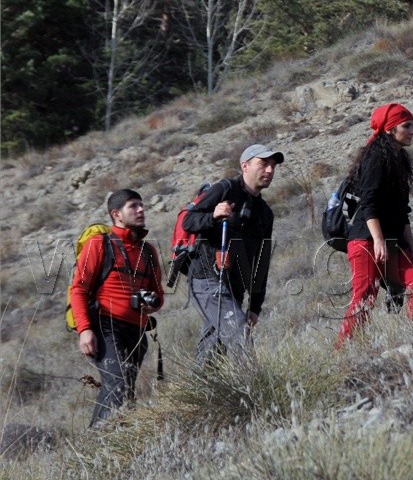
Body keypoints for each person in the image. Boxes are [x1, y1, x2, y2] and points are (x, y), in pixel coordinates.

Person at [337, 103, 413, 345]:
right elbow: (368, 203)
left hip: (392, 240)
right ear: (390, 129)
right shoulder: (376, 157)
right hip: (366, 238)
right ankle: (342, 351)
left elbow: (402, 213)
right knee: (365, 297)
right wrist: (378, 240)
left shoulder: (400, 160)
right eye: (407, 126)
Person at [69, 189, 165, 427]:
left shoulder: (149, 252)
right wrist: (84, 330)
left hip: (137, 331)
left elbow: (159, 295)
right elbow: (78, 289)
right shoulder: (99, 244)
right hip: (105, 326)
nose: (141, 210)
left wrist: (153, 302)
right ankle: (94, 446)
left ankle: (111, 443)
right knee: (117, 383)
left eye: (141, 205)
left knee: (125, 390)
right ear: (116, 214)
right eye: (133, 206)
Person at [180, 144, 281, 363]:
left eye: (273, 166)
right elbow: (189, 221)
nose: (270, 170)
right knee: (238, 331)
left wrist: (255, 306)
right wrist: (213, 216)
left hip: (234, 286)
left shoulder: (265, 213)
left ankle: (199, 392)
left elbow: (261, 262)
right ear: (245, 166)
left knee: (212, 352)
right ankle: (255, 390)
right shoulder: (225, 189)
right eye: (263, 164)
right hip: (206, 278)